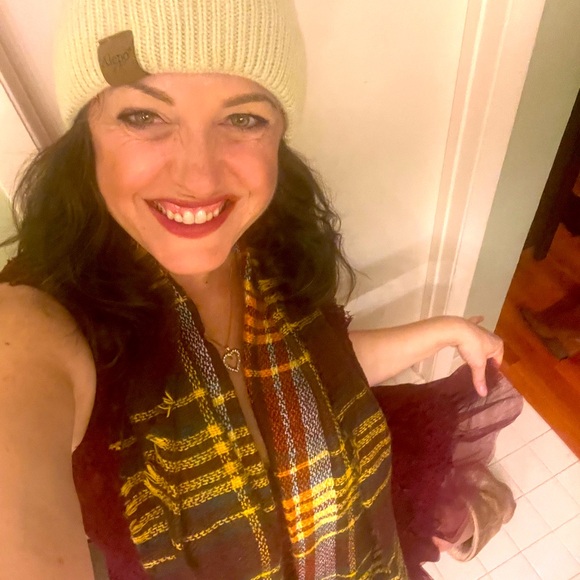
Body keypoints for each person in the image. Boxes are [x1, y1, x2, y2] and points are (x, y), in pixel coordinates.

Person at [0, 0, 522, 578]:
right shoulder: (33, 330)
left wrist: (438, 332)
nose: (199, 176)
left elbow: (321, 366)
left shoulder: (270, 247)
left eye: (244, 119)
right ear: (87, 134)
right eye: (143, 116)